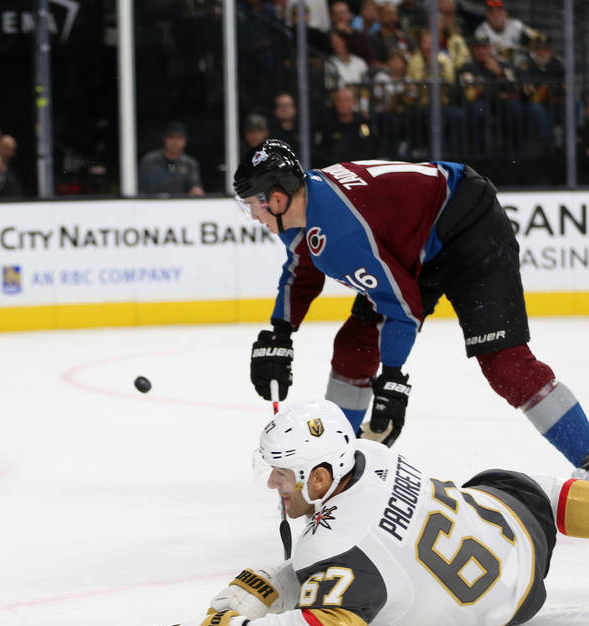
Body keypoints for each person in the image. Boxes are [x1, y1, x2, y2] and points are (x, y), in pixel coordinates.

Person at [233, 139, 589, 473]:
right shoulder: (305, 204)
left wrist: (392, 379)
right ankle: (335, 458)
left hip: (469, 227)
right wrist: (281, 331)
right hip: (418, 239)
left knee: (505, 363)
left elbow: (401, 307)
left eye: (251, 204)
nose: (252, 215)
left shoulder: (339, 234)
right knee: (354, 345)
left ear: (277, 199)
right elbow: (302, 268)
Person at [148, 399, 588, 626]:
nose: (271, 484)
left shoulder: (333, 547)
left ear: (319, 479)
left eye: (281, 473)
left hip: (508, 604)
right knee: (536, 487)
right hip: (512, 517)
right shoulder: (367, 453)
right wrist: (274, 584)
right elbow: (372, 549)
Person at [138, 122, 205, 196]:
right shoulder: (149, 161)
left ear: (185, 140)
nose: (175, 142)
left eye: (179, 137)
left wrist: (196, 191)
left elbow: (195, 186)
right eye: (171, 137)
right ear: (165, 139)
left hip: (181, 205)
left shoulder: (189, 163)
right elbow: (141, 190)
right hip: (154, 204)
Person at [473, 0, 543, 65]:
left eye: (500, 11)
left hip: (520, 65)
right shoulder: (481, 31)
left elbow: (538, 39)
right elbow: (483, 55)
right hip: (497, 65)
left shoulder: (515, 25)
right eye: (492, 13)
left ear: (505, 13)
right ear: (487, 15)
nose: (497, 15)